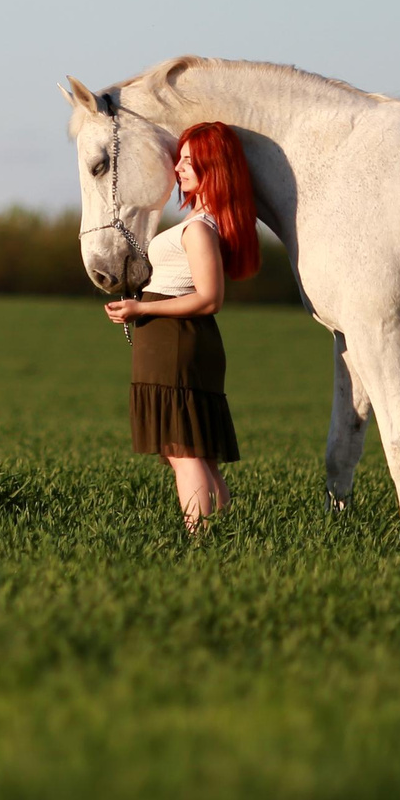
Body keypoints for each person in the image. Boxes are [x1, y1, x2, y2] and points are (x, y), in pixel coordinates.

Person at [104, 121, 260, 529]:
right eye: (182, 159)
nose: (180, 168)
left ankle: (201, 537)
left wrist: (143, 312)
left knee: (184, 451)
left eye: (191, 161)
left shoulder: (199, 228)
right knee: (195, 451)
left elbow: (210, 298)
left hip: (176, 341)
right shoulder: (203, 220)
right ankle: (219, 536)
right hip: (175, 339)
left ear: (214, 166)